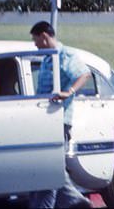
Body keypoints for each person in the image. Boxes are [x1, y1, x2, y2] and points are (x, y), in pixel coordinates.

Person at [29, 21, 92, 209]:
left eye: (35, 40)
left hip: (59, 119)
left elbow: (84, 74)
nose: (35, 44)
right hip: (46, 120)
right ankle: (77, 203)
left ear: (44, 36)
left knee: (51, 167)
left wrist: (69, 91)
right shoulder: (48, 58)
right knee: (51, 167)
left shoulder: (65, 55)